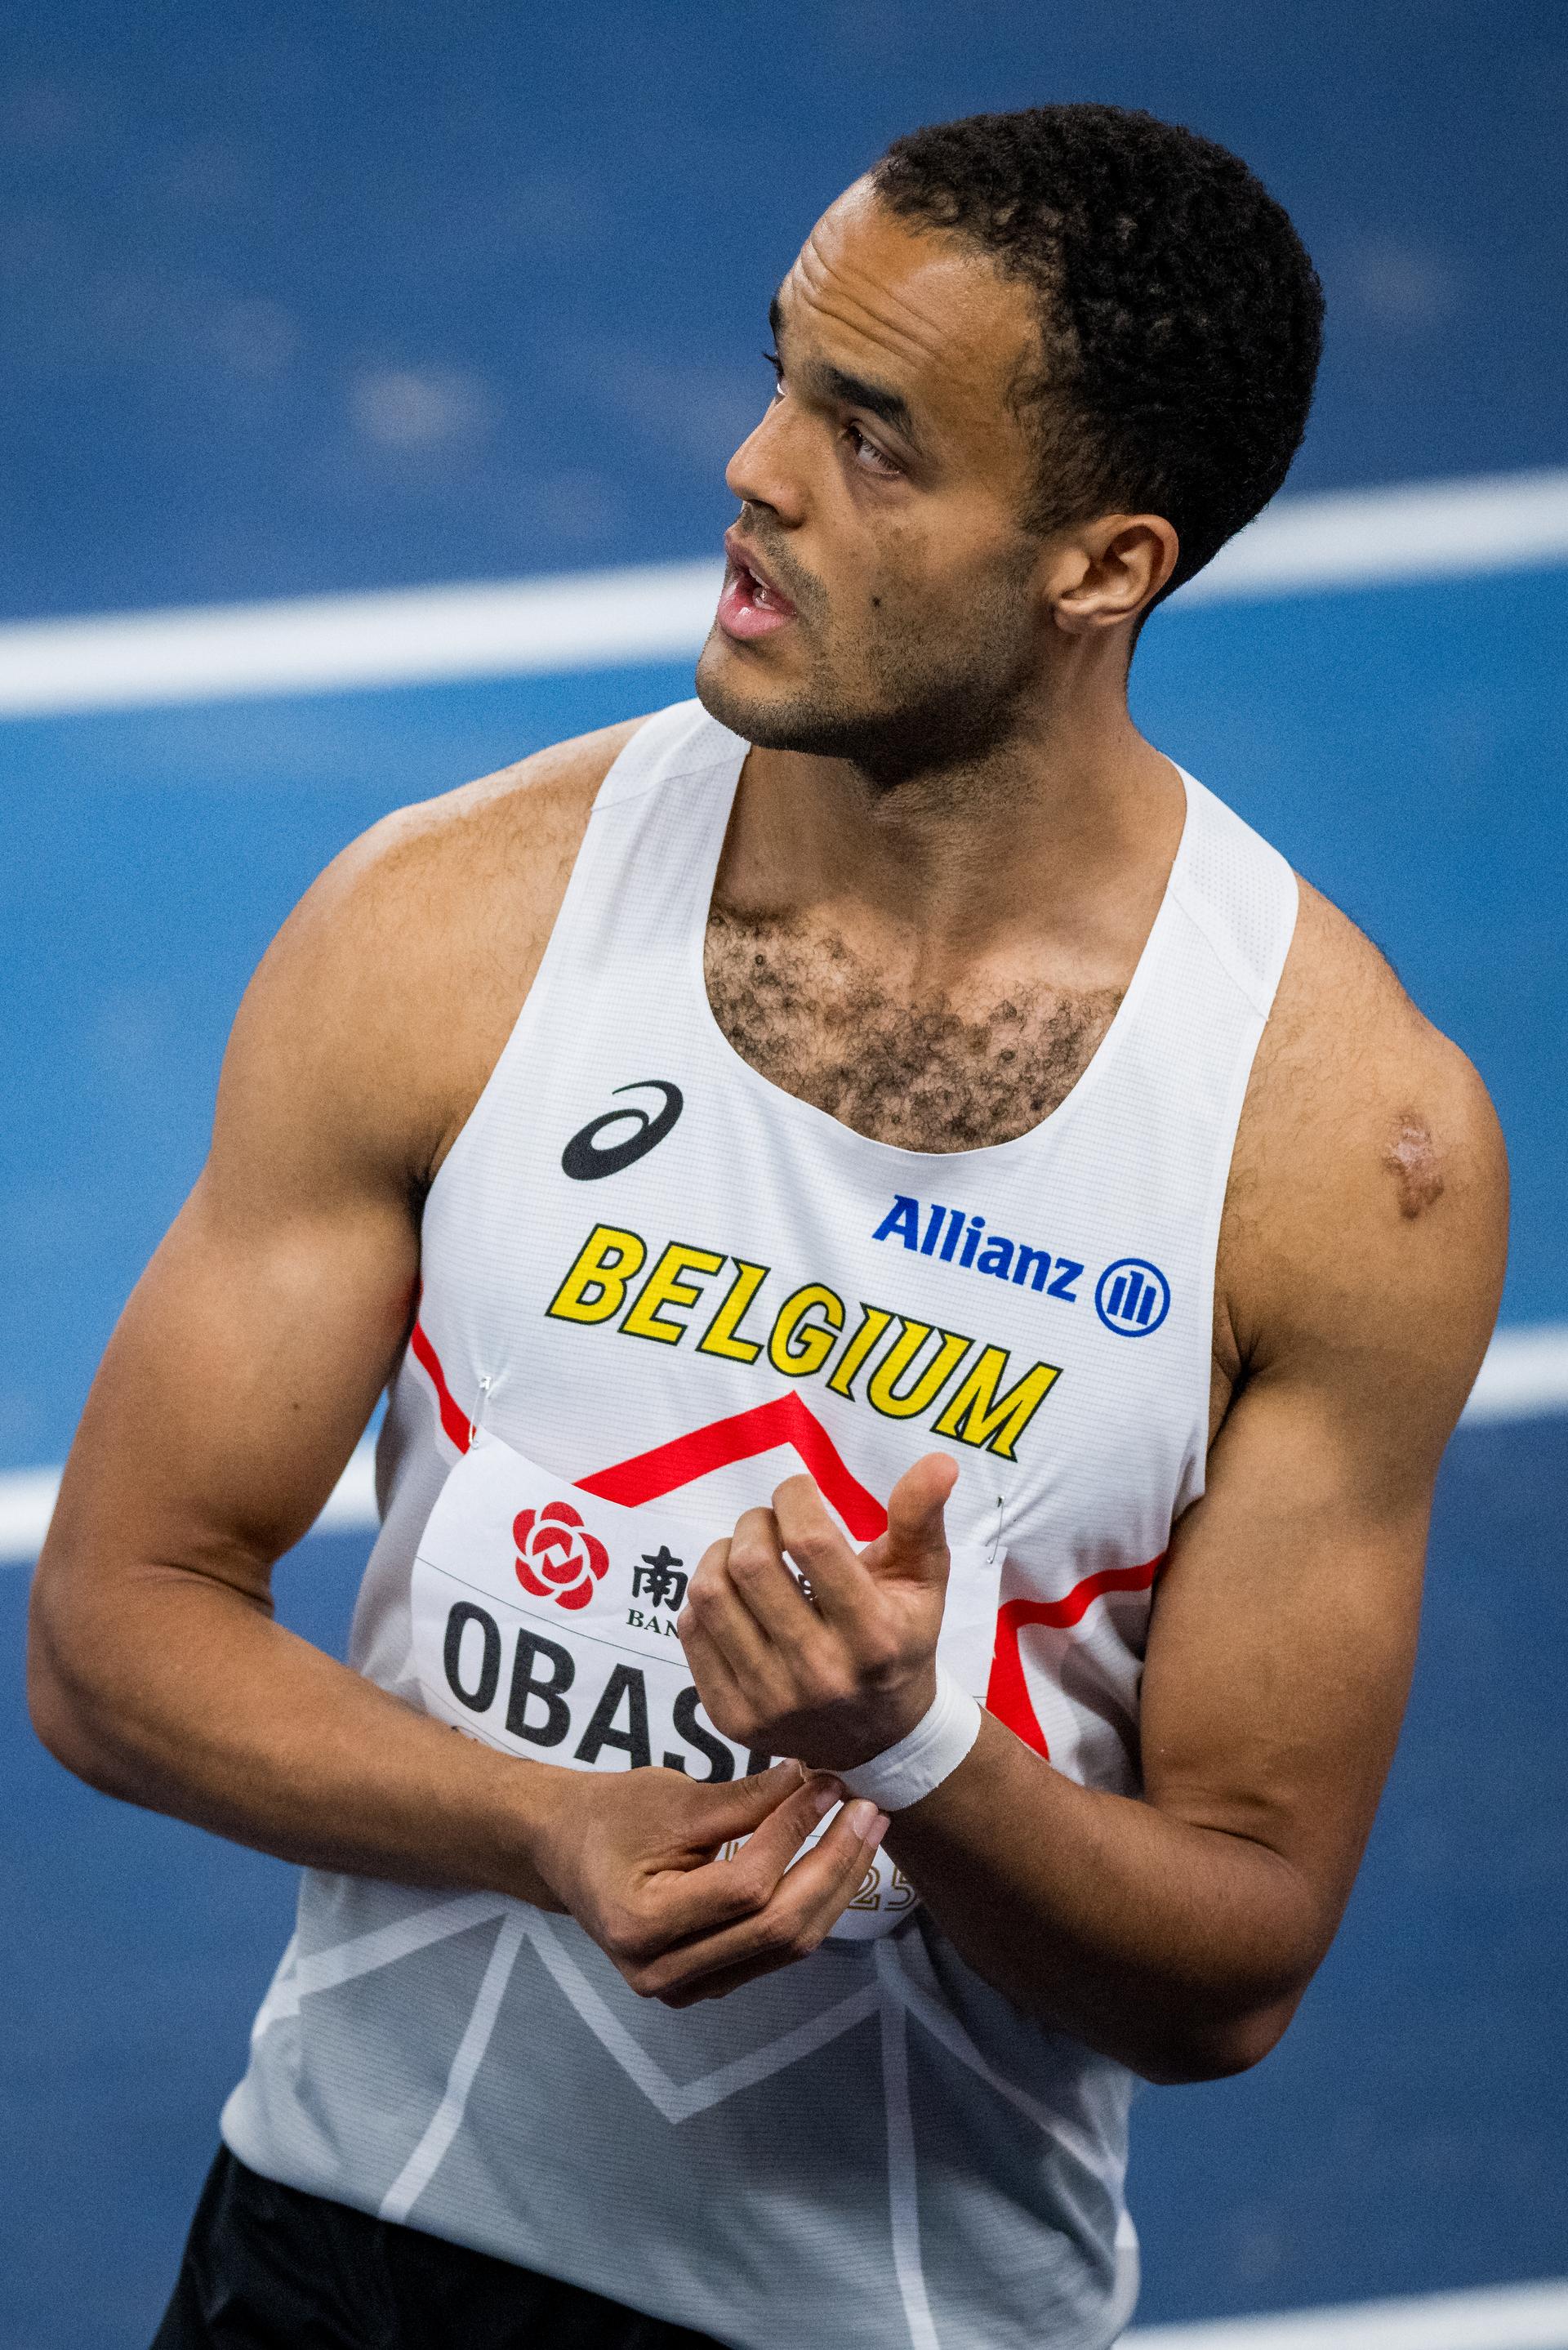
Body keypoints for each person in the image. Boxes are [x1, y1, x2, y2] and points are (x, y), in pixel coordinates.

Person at [29, 101, 1504, 2350]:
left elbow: (1235, 1964)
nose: (753, 466)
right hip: (345, 2246)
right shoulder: (448, 924)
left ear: (1108, 563)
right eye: (786, 377)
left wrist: (908, 1757)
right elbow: (116, 1624)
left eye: (877, 439)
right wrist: (542, 1823)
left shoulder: (1340, 1140)